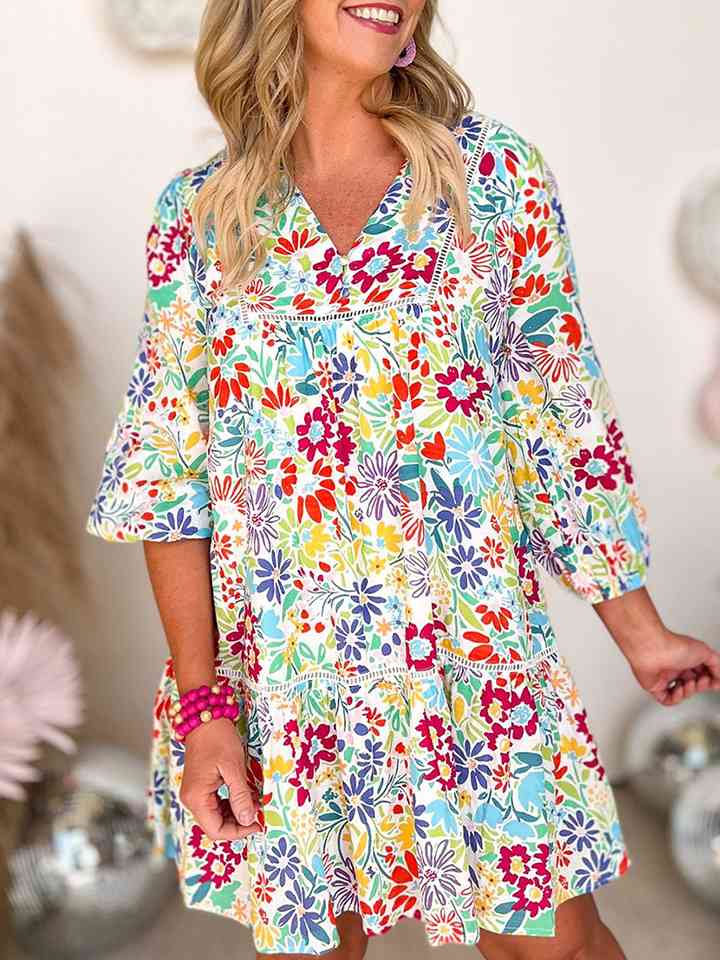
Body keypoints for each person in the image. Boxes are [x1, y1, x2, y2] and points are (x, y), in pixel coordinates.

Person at [85, 2, 720, 958]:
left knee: (558, 946)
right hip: (291, 686)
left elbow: (559, 422)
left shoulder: (490, 179)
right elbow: (167, 481)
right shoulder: (201, 218)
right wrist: (207, 707)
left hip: (472, 661)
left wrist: (641, 632)